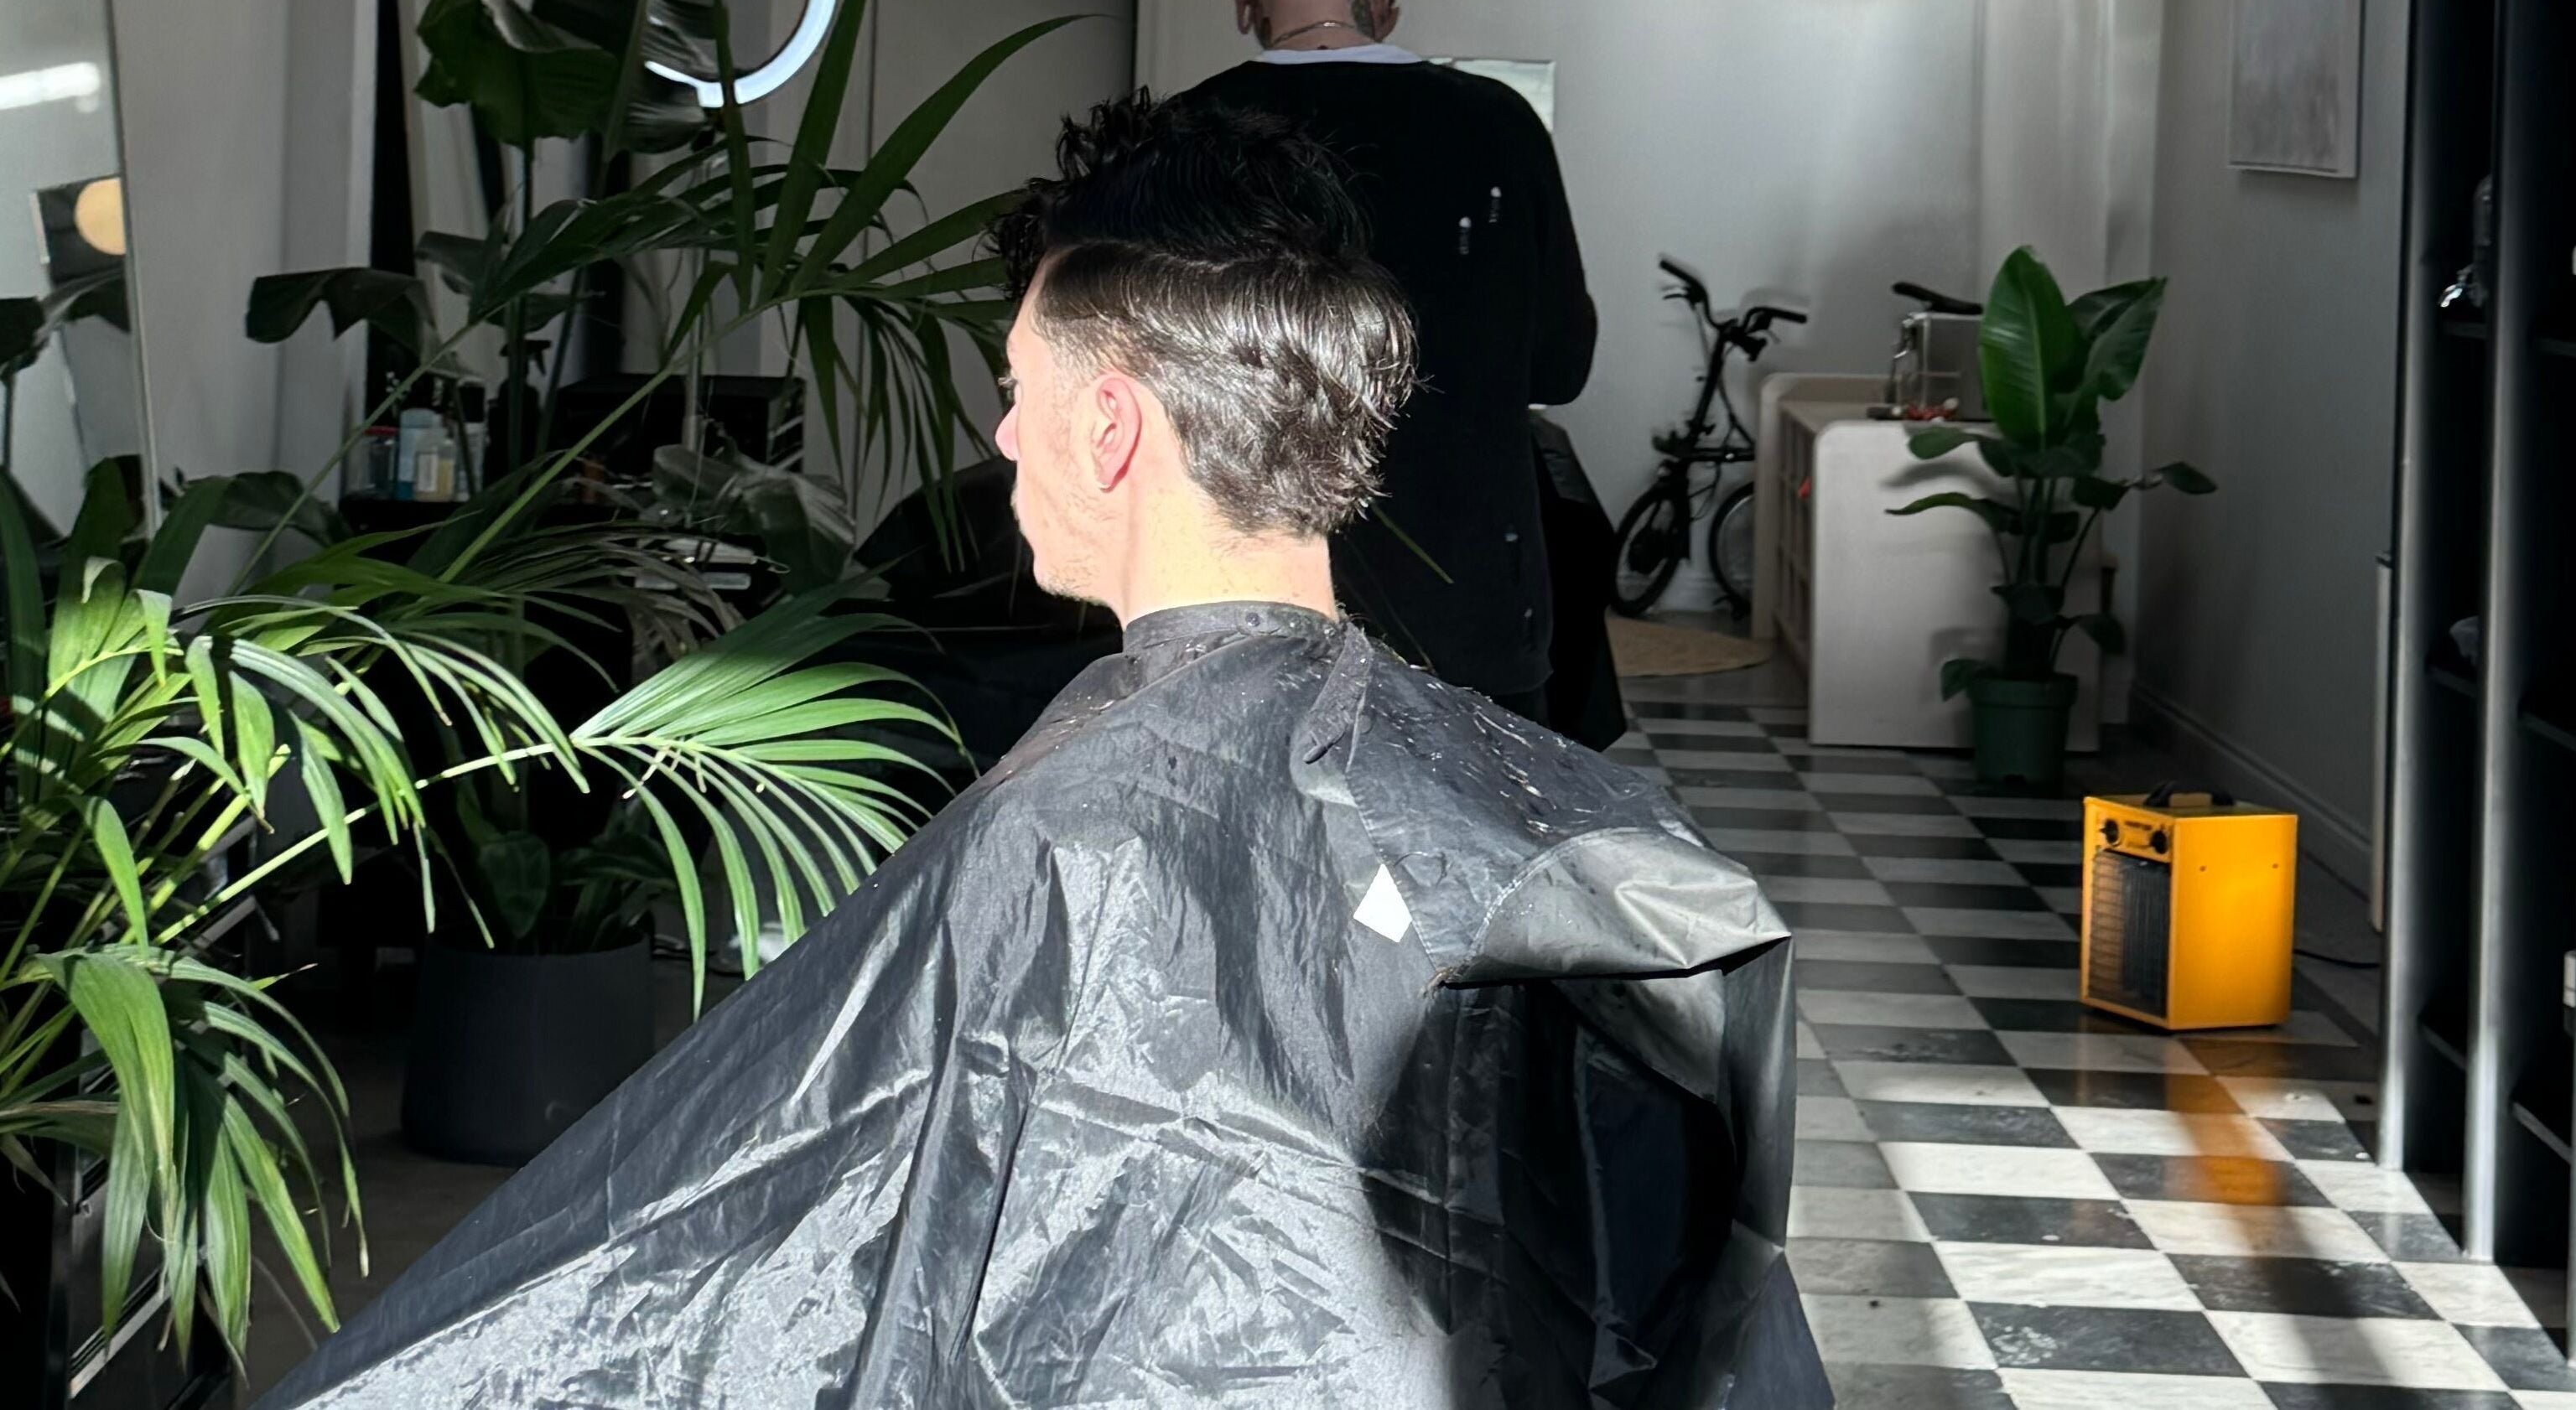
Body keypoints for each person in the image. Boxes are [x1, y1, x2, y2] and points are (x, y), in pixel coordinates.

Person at [260, 93, 1826, 1410]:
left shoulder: (1056, 837)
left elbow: (703, 1243)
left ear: (1109, 429)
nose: (1001, 440)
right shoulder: (1566, 814)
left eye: (1018, 396)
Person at [1187, 0, 1597, 723]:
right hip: (1469, 605)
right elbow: (1560, 364)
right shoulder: (1495, 125)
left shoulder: (1190, 133)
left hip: (1243, 606)